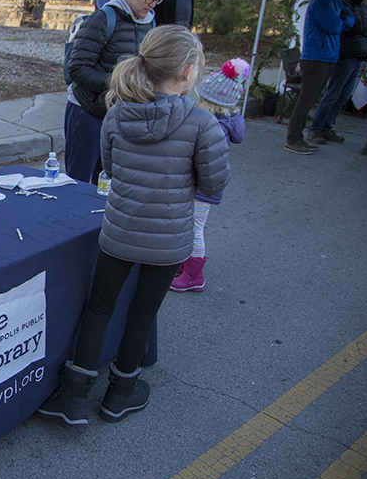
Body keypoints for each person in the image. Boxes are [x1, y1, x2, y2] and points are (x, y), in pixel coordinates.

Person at [38, 25, 231, 427]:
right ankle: (120, 393)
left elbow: (109, 169)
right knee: (142, 313)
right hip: (168, 239)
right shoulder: (202, 125)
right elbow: (213, 185)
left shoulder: (116, 115)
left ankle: (73, 396)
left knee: (99, 307)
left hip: (119, 231)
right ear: (188, 72)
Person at [64, 0, 168, 184]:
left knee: (107, 183)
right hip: (87, 112)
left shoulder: (150, 23)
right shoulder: (103, 18)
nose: (152, 4)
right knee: (78, 184)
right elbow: (77, 69)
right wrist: (120, 84)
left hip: (120, 115)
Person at [170, 58, 248, 293]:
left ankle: (194, 275)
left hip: (202, 189)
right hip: (205, 186)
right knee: (189, 226)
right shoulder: (225, 123)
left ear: (210, 103)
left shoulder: (213, 127)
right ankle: (186, 266)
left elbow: (205, 162)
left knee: (194, 229)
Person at [285, 0, 355, 154]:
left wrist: (343, 19)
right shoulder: (323, 0)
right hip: (316, 58)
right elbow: (336, 26)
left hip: (327, 57)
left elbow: (350, 21)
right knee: (306, 101)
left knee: (311, 99)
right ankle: (293, 139)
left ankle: (299, 137)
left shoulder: (335, 0)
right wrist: (343, 19)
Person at [306, 0, 367, 145]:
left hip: (358, 54)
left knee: (344, 95)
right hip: (344, 54)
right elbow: (346, 26)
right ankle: (315, 128)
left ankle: (326, 127)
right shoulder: (343, 1)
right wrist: (354, 25)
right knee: (333, 93)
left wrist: (355, 25)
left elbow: (358, 25)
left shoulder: (360, 5)